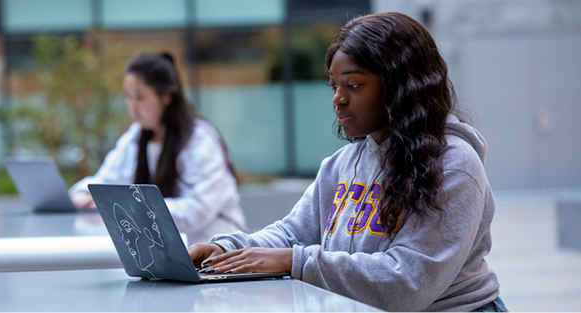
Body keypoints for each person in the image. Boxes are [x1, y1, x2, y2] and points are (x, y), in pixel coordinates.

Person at [188, 12, 505, 312]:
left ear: (400, 86)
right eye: (334, 86)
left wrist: (296, 261)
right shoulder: (342, 164)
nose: (337, 98)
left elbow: (409, 282)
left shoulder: (454, 166)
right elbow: (292, 235)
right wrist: (226, 250)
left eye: (353, 85)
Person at [69, 52, 247, 245]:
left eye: (140, 97)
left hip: (215, 249)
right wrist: (85, 193)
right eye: (128, 96)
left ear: (166, 96)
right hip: (161, 247)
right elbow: (105, 181)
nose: (132, 106)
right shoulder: (137, 136)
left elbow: (197, 212)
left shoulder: (200, 140)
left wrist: (133, 208)